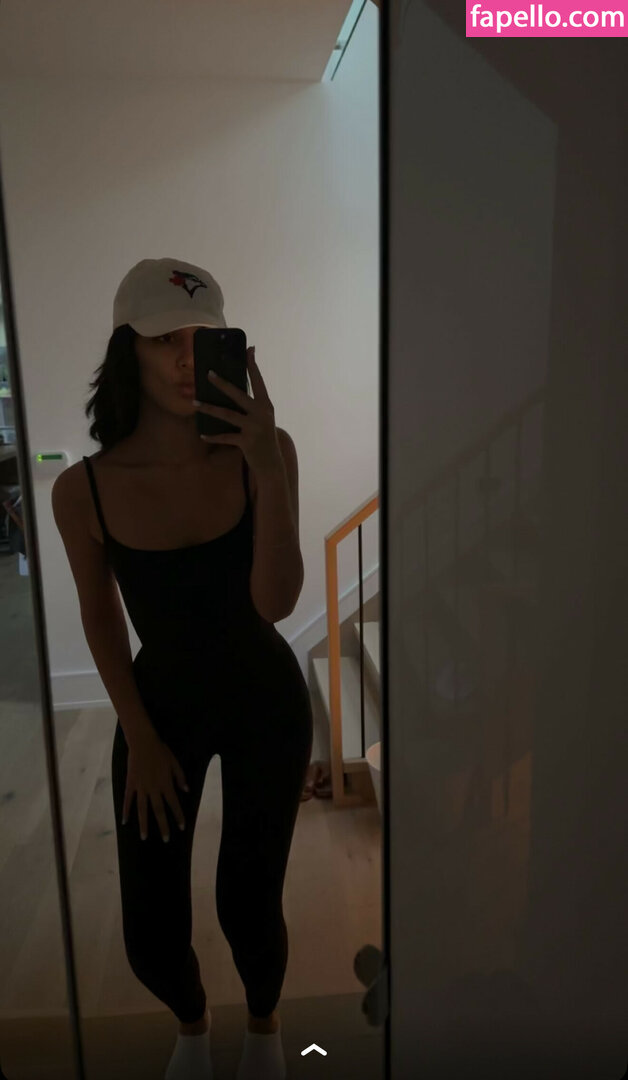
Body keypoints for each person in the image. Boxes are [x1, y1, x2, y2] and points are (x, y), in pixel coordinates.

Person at [52, 257, 313, 1080]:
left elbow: (275, 603)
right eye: (165, 339)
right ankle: (194, 1026)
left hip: (266, 697)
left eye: (202, 338)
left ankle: (266, 1028)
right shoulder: (83, 490)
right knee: (150, 932)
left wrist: (267, 466)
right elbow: (101, 616)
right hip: (159, 707)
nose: (183, 358)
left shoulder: (266, 455)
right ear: (126, 349)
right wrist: (137, 732)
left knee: (250, 901)